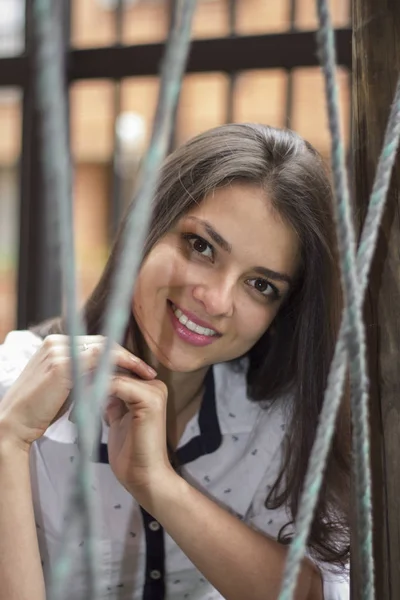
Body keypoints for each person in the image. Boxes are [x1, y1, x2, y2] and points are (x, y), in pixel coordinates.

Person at [0, 123, 349, 600]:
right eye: (201, 246)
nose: (216, 299)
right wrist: (7, 441)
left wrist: (160, 485)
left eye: (260, 285)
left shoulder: (280, 418)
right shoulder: (16, 386)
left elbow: (322, 593)